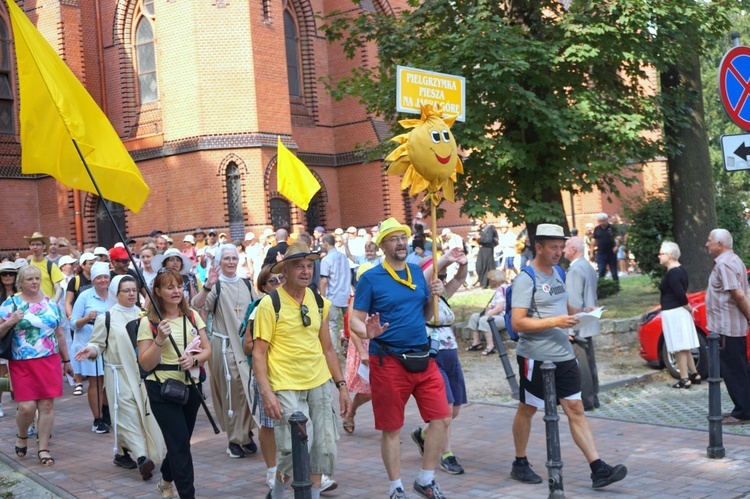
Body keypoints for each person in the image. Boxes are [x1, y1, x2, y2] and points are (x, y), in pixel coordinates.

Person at [509, 223, 626, 489]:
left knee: (575, 407)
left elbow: (565, 307)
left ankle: (598, 469)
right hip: (535, 357)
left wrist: (582, 311)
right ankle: (520, 462)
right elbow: (518, 323)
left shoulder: (559, 272)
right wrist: (555, 321)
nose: (559, 252)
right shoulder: (526, 279)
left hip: (563, 355)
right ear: (538, 247)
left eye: (561, 247)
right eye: (553, 247)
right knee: (528, 408)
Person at [350, 217, 450, 499]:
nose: (401, 242)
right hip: (389, 360)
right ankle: (396, 487)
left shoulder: (417, 273)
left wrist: (435, 298)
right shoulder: (370, 278)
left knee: (441, 418)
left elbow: (426, 316)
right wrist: (368, 332)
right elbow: (354, 320)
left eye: (403, 237)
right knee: (392, 427)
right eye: (393, 239)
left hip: (422, 356)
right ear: (382, 245)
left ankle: (426, 479)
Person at [253, 242, 351, 499]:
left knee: (323, 445)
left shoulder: (319, 302)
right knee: (291, 449)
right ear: (285, 270)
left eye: (310, 266)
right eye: (299, 266)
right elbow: (258, 353)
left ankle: (313, 496)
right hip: (285, 384)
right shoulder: (269, 304)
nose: (306, 271)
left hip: (318, 382)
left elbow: (328, 349)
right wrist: (267, 393)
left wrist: (341, 387)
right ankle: (278, 493)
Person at [74, 275, 163, 480]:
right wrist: (90, 350)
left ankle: (122, 453)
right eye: (126, 290)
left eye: (134, 289)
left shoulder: (144, 315)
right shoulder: (107, 317)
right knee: (127, 414)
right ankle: (142, 458)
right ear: (116, 293)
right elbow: (97, 344)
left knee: (144, 414)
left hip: (142, 373)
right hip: (119, 374)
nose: (132, 293)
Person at [138, 268, 211, 499]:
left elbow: (207, 350)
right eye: (170, 287)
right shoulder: (147, 322)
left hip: (191, 385)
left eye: (179, 286)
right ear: (157, 291)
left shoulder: (191, 315)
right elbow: (146, 364)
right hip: (162, 389)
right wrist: (159, 339)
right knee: (180, 444)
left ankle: (166, 480)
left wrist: (194, 359)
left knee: (180, 442)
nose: (176, 291)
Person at [0, 264, 74, 467]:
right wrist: (10, 322)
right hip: (21, 361)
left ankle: (43, 448)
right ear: (20, 282)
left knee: (47, 405)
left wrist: (66, 361)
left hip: (49, 360)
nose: (34, 282)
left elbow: (59, 334)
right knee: (26, 407)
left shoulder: (50, 304)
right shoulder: (10, 304)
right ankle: (22, 434)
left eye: (37, 278)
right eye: (29, 279)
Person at [192, 243, 258, 458]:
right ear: (219, 262)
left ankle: (245, 433)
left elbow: (258, 309)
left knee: (249, 389)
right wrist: (208, 284)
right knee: (232, 392)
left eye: (234, 258)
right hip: (224, 347)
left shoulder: (247, 285)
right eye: (226, 259)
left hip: (245, 346)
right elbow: (197, 305)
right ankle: (235, 439)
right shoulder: (216, 286)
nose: (231, 262)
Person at [411, 248, 469, 476]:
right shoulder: (420, 294)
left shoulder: (443, 296)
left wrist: (462, 263)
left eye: (444, 275)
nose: (442, 279)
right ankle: (446, 454)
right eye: (439, 274)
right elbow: (425, 277)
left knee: (454, 410)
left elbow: (461, 278)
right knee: (443, 409)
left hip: (451, 353)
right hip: (433, 355)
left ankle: (424, 435)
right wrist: (444, 259)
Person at [705, 229, 750, 425]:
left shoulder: (724, 264)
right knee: (739, 368)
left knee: (733, 370)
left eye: (709, 241)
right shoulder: (734, 260)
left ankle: (743, 413)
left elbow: (739, 294)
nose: (707, 244)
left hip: (727, 327)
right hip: (731, 326)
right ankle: (743, 408)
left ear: (720, 244)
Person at [70, 261, 111, 434]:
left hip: (111, 345)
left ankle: (107, 410)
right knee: (96, 381)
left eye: (105, 277)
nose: (103, 280)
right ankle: (98, 419)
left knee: (110, 381)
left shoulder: (115, 294)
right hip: (89, 344)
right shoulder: (85, 296)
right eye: (99, 277)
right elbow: (73, 324)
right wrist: (88, 318)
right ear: (93, 280)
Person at [564, 236, 601, 410]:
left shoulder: (575, 270)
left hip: (579, 323)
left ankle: (586, 400)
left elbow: (574, 303)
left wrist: (570, 330)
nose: (562, 250)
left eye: (565, 247)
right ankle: (594, 396)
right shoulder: (587, 266)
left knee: (582, 363)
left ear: (573, 250)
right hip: (589, 319)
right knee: (589, 360)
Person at [657, 241, 699, 389]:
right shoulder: (681, 270)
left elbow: (680, 295)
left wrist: (689, 308)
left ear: (668, 256)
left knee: (678, 346)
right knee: (685, 345)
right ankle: (694, 373)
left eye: (661, 253)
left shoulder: (673, 273)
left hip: (674, 312)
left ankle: (684, 378)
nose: (659, 256)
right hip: (678, 312)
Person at [341, 263, 375, 435]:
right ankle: (351, 411)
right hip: (362, 346)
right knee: (368, 391)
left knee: (382, 388)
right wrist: (362, 352)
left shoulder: (379, 295)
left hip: (379, 345)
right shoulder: (355, 299)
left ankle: (389, 429)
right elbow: (352, 328)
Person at [320, 234, 352, 354]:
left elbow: (324, 280)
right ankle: (350, 346)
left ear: (326, 243)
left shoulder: (326, 260)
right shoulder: (343, 256)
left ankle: (334, 349)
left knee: (332, 324)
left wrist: (322, 297)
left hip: (333, 294)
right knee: (349, 323)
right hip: (346, 293)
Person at [465, 269, 507, 356]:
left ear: (493, 281)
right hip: (498, 315)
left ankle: (490, 346)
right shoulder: (503, 288)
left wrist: (486, 315)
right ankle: (476, 343)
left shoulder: (501, 290)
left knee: (484, 320)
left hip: (503, 317)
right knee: (474, 317)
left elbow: (499, 308)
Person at [24, 232, 65, 301]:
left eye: (38, 244)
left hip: (47, 307)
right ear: (30, 246)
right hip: (30, 305)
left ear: (44, 246)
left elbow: (58, 289)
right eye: (32, 244)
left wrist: (53, 305)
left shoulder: (51, 266)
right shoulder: (26, 265)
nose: (35, 247)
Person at [592, 213, 619, 282]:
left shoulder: (612, 228)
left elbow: (618, 238)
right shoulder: (597, 229)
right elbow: (593, 240)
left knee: (614, 272)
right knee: (601, 271)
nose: (602, 223)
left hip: (611, 253)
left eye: (603, 221)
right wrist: (591, 252)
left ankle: (616, 289)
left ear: (607, 220)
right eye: (600, 221)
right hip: (601, 253)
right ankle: (601, 288)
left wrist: (616, 246)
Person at [475, 219, 498, 288]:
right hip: (482, 249)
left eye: (478, 221)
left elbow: (489, 240)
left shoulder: (489, 228)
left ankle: (489, 283)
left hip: (488, 249)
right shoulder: (481, 229)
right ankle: (483, 282)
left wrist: (479, 238)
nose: (477, 223)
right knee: (480, 266)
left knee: (488, 266)